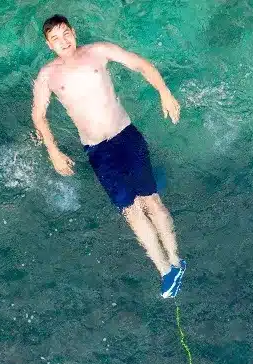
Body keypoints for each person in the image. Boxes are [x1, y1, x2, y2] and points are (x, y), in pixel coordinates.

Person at [31, 15, 186, 298]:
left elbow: (141, 64)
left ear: (73, 33)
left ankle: (176, 260)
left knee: (151, 201)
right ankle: (165, 271)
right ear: (49, 44)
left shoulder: (98, 52)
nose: (63, 41)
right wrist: (53, 150)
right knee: (130, 211)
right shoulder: (48, 75)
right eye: (56, 38)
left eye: (66, 34)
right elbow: (38, 116)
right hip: (97, 150)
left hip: (125, 135)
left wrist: (164, 91)